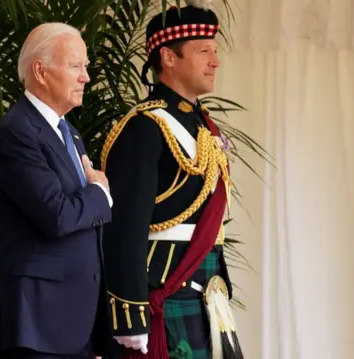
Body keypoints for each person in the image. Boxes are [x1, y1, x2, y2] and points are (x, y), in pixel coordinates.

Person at [100, 1, 244, 359]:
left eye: (215, 50)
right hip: (164, 290)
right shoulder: (144, 128)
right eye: (203, 51)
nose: (215, 60)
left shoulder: (200, 125)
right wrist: (130, 316)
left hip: (202, 290)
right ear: (168, 57)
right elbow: (125, 229)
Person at [0, 22, 114, 359]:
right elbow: (58, 215)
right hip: (37, 325)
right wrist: (100, 193)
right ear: (40, 70)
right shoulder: (16, 132)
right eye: (75, 67)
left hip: (74, 322)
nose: (86, 77)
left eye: (86, 67)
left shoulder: (69, 132)